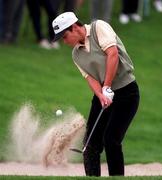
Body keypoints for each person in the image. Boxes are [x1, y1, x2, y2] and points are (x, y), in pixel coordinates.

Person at [52, 12, 140, 176]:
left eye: (64, 36)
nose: (65, 42)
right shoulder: (76, 54)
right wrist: (101, 94)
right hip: (103, 95)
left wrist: (107, 86)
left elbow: (112, 54)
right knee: (90, 145)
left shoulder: (99, 27)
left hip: (127, 92)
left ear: (74, 27)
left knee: (111, 139)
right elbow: (90, 78)